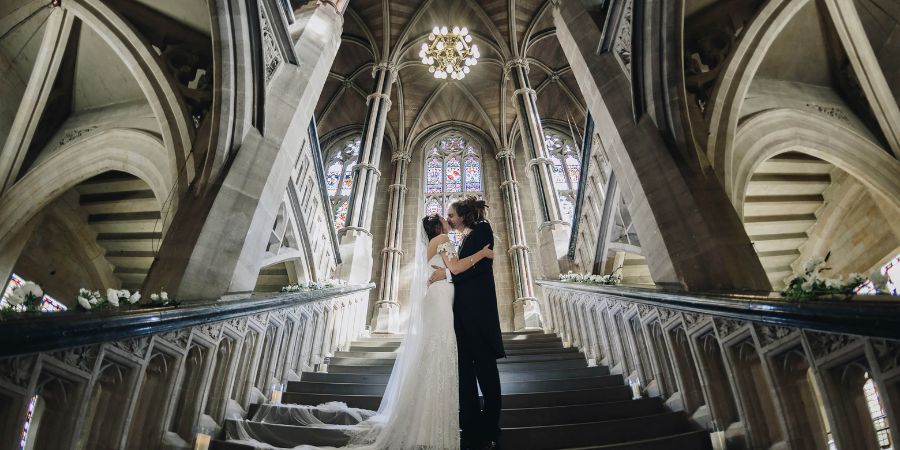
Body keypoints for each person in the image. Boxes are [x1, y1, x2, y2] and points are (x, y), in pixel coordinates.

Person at [430, 196, 505, 450]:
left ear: (463, 215)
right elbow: (461, 269)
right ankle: (470, 428)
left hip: (479, 317)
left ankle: (491, 428)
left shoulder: (483, 229)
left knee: (487, 374)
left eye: (451, 215)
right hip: (461, 318)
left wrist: (447, 272)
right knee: (465, 375)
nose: (448, 219)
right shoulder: (460, 241)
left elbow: (477, 269)